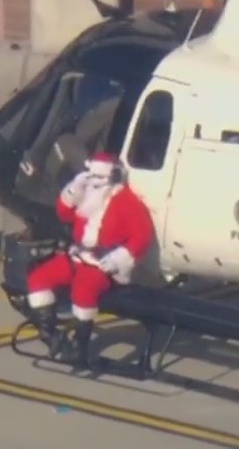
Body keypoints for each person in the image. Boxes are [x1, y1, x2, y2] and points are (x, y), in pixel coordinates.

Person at [25, 152, 155, 367]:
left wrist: (116, 260)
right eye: (90, 176)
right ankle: (50, 335)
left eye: (99, 178)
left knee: (83, 292)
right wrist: (73, 189)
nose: (93, 183)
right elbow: (63, 213)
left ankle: (80, 346)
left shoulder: (127, 203)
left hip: (102, 264)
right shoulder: (86, 194)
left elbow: (141, 237)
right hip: (77, 255)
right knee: (39, 278)